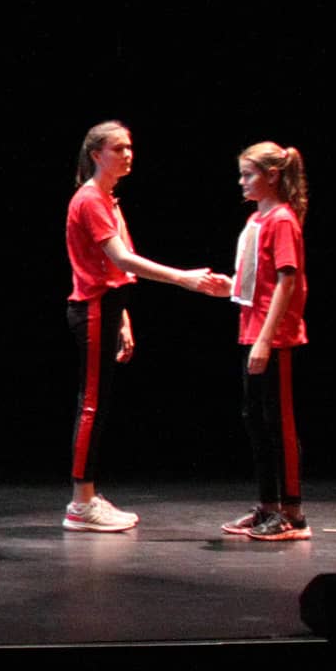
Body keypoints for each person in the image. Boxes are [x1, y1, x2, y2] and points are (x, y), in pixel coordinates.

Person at [62, 120, 229, 533]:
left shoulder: (108, 199)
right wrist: (183, 278)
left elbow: (118, 264)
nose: (128, 154)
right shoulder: (90, 201)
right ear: (96, 154)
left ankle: (87, 495)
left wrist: (124, 317)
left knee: (96, 405)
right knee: (91, 405)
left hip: (107, 307)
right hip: (93, 308)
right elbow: (121, 260)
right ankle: (80, 504)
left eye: (130, 147)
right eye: (119, 148)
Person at [225, 142, 311, 541]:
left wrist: (265, 340)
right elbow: (255, 280)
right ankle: (268, 507)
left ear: (272, 176)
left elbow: (287, 280)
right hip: (251, 330)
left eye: (249, 174)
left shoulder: (282, 219)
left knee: (279, 423)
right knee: (255, 421)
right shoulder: (257, 220)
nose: (242, 182)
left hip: (273, 338)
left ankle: (292, 513)